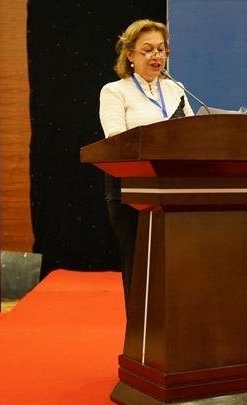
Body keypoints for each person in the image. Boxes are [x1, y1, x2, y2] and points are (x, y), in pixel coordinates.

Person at [99, 19, 194, 314]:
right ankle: (141, 331)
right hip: (130, 187)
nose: (157, 56)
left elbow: (195, 133)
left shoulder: (176, 88)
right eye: (148, 50)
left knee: (176, 262)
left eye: (161, 49)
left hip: (173, 185)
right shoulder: (115, 91)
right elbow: (115, 139)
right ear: (130, 54)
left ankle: (176, 327)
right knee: (139, 261)